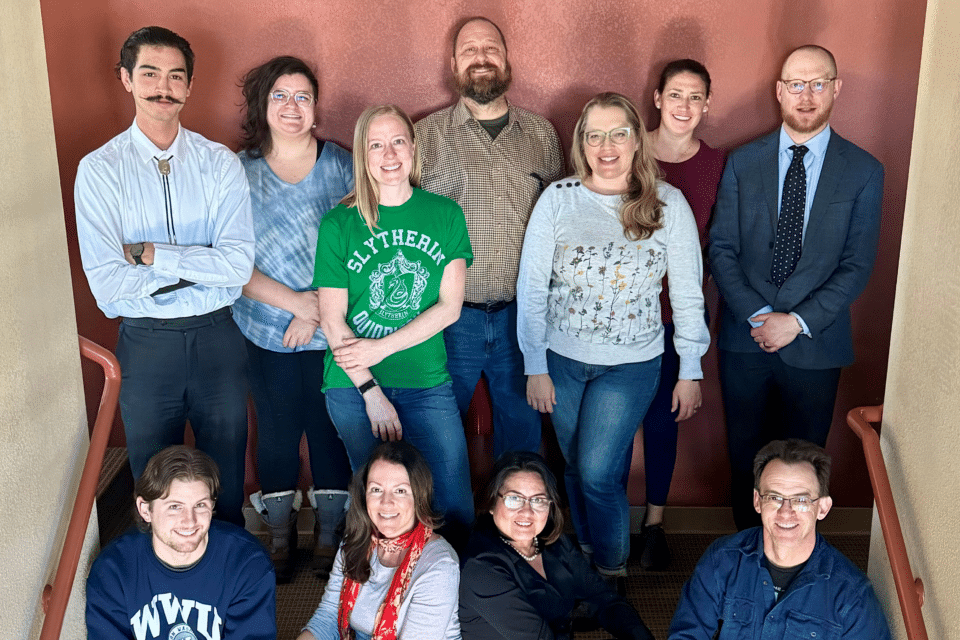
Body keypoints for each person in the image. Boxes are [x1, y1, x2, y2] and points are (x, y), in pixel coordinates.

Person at [518, 92, 709, 582]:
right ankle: (584, 556)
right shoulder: (557, 199)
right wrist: (534, 365)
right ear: (581, 142)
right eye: (594, 134)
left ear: (636, 140)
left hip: (632, 364)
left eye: (618, 133)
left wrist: (690, 369)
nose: (607, 145)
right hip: (561, 360)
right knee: (575, 469)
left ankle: (610, 571)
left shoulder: (668, 204)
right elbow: (533, 288)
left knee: (600, 473)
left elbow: (688, 295)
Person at [74, 26, 254, 525]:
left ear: (190, 86)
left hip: (218, 336)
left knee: (226, 479)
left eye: (176, 76)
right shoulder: (100, 170)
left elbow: (237, 268)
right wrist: (202, 265)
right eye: (149, 73)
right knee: (153, 482)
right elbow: (109, 289)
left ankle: (227, 581)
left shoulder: (220, 164)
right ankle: (162, 586)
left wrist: (154, 256)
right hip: (146, 344)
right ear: (126, 80)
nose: (163, 86)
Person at [709, 45, 884, 530]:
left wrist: (797, 322)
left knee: (805, 463)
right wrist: (761, 316)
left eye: (818, 83)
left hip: (817, 343)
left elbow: (857, 264)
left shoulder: (864, 170)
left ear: (836, 88)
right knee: (746, 455)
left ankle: (796, 566)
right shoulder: (743, 162)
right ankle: (748, 557)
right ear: (780, 91)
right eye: (797, 84)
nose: (807, 96)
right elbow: (721, 248)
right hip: (746, 339)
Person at [314, 104, 475, 543]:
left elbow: (449, 308)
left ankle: (458, 599)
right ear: (363, 156)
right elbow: (331, 319)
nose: (389, 154)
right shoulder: (339, 223)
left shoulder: (445, 214)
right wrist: (371, 393)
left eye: (398, 141)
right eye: (376, 145)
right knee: (379, 511)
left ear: (413, 148)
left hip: (425, 382)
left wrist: (380, 347)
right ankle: (383, 601)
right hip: (353, 387)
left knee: (452, 501)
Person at [415, 17, 564, 457]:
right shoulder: (424, 136)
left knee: (522, 438)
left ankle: (517, 525)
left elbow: (558, 226)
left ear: (506, 58)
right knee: (434, 438)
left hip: (522, 317)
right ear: (454, 63)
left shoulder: (541, 134)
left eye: (491, 48)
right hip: (446, 318)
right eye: (469, 50)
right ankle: (440, 526)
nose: (481, 57)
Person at [233, 55, 354, 582]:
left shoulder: (344, 166)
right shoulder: (237, 171)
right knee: (277, 434)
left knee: (330, 432)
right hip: (264, 328)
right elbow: (230, 261)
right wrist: (295, 304)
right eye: (280, 95)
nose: (291, 106)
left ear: (315, 106)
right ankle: (281, 535)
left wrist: (318, 311)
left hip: (334, 329)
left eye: (302, 96)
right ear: (263, 103)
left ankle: (330, 535)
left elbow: (362, 249)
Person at [636, 59, 726, 569]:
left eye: (695, 97)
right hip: (622, 312)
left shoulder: (716, 163)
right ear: (657, 97)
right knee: (612, 418)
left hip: (680, 313)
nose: (684, 106)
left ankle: (654, 525)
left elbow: (720, 238)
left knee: (663, 418)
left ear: (707, 104)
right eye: (676, 95)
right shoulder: (626, 151)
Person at [669, 439, 891, 638]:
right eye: (774, 497)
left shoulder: (852, 595)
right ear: (757, 501)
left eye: (801, 500)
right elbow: (687, 635)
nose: (786, 512)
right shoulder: (722, 560)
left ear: (822, 508)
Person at [86, 446, 276, 639]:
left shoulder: (247, 564)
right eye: (175, 507)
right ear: (145, 510)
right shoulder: (112, 571)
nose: (190, 521)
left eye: (200, 505)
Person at [459, 451, 654, 640]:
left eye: (538, 500)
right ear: (492, 504)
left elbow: (603, 599)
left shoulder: (554, 543)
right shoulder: (480, 568)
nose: (526, 512)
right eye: (514, 499)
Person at [298, 440, 461, 640]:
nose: (386, 502)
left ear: (419, 496)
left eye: (400, 491)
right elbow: (329, 616)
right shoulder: (356, 541)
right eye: (376, 489)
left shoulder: (440, 565)